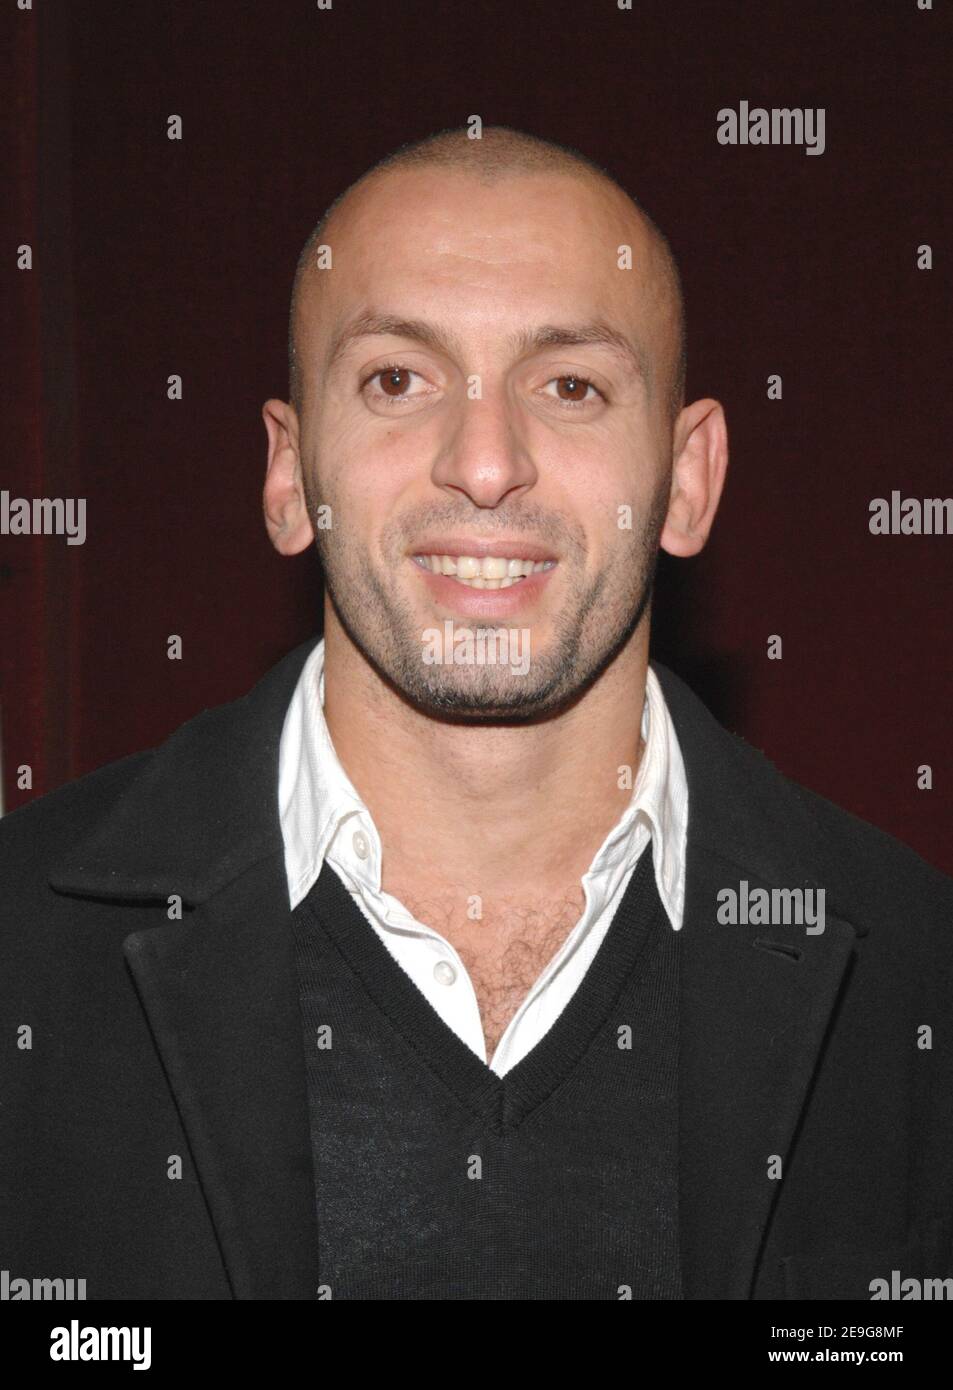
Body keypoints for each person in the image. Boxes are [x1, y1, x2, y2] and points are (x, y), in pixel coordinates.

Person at [2, 126, 951, 1302]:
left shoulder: (915, 973)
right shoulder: (21, 952)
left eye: (569, 385)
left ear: (687, 477)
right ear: (290, 477)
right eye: (397, 379)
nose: (486, 462)